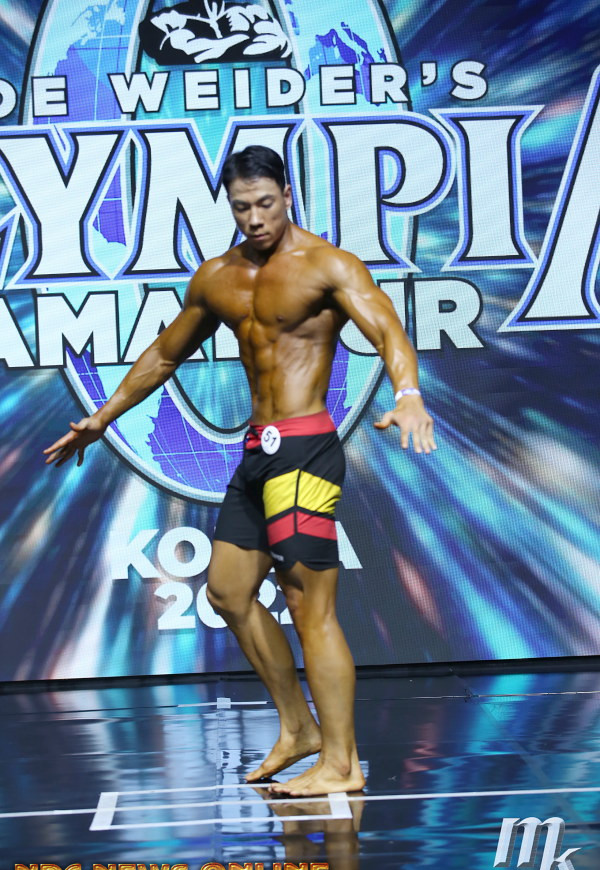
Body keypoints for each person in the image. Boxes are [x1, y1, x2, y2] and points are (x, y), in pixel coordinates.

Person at [44, 146, 436, 797]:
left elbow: (388, 330)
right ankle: (299, 729)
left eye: (265, 203)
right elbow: (164, 355)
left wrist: (409, 393)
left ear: (288, 194)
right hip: (256, 453)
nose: (255, 218)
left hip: (306, 450)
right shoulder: (218, 278)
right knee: (227, 592)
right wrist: (102, 418)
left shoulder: (328, 265)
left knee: (309, 605)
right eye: (242, 207)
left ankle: (342, 763)